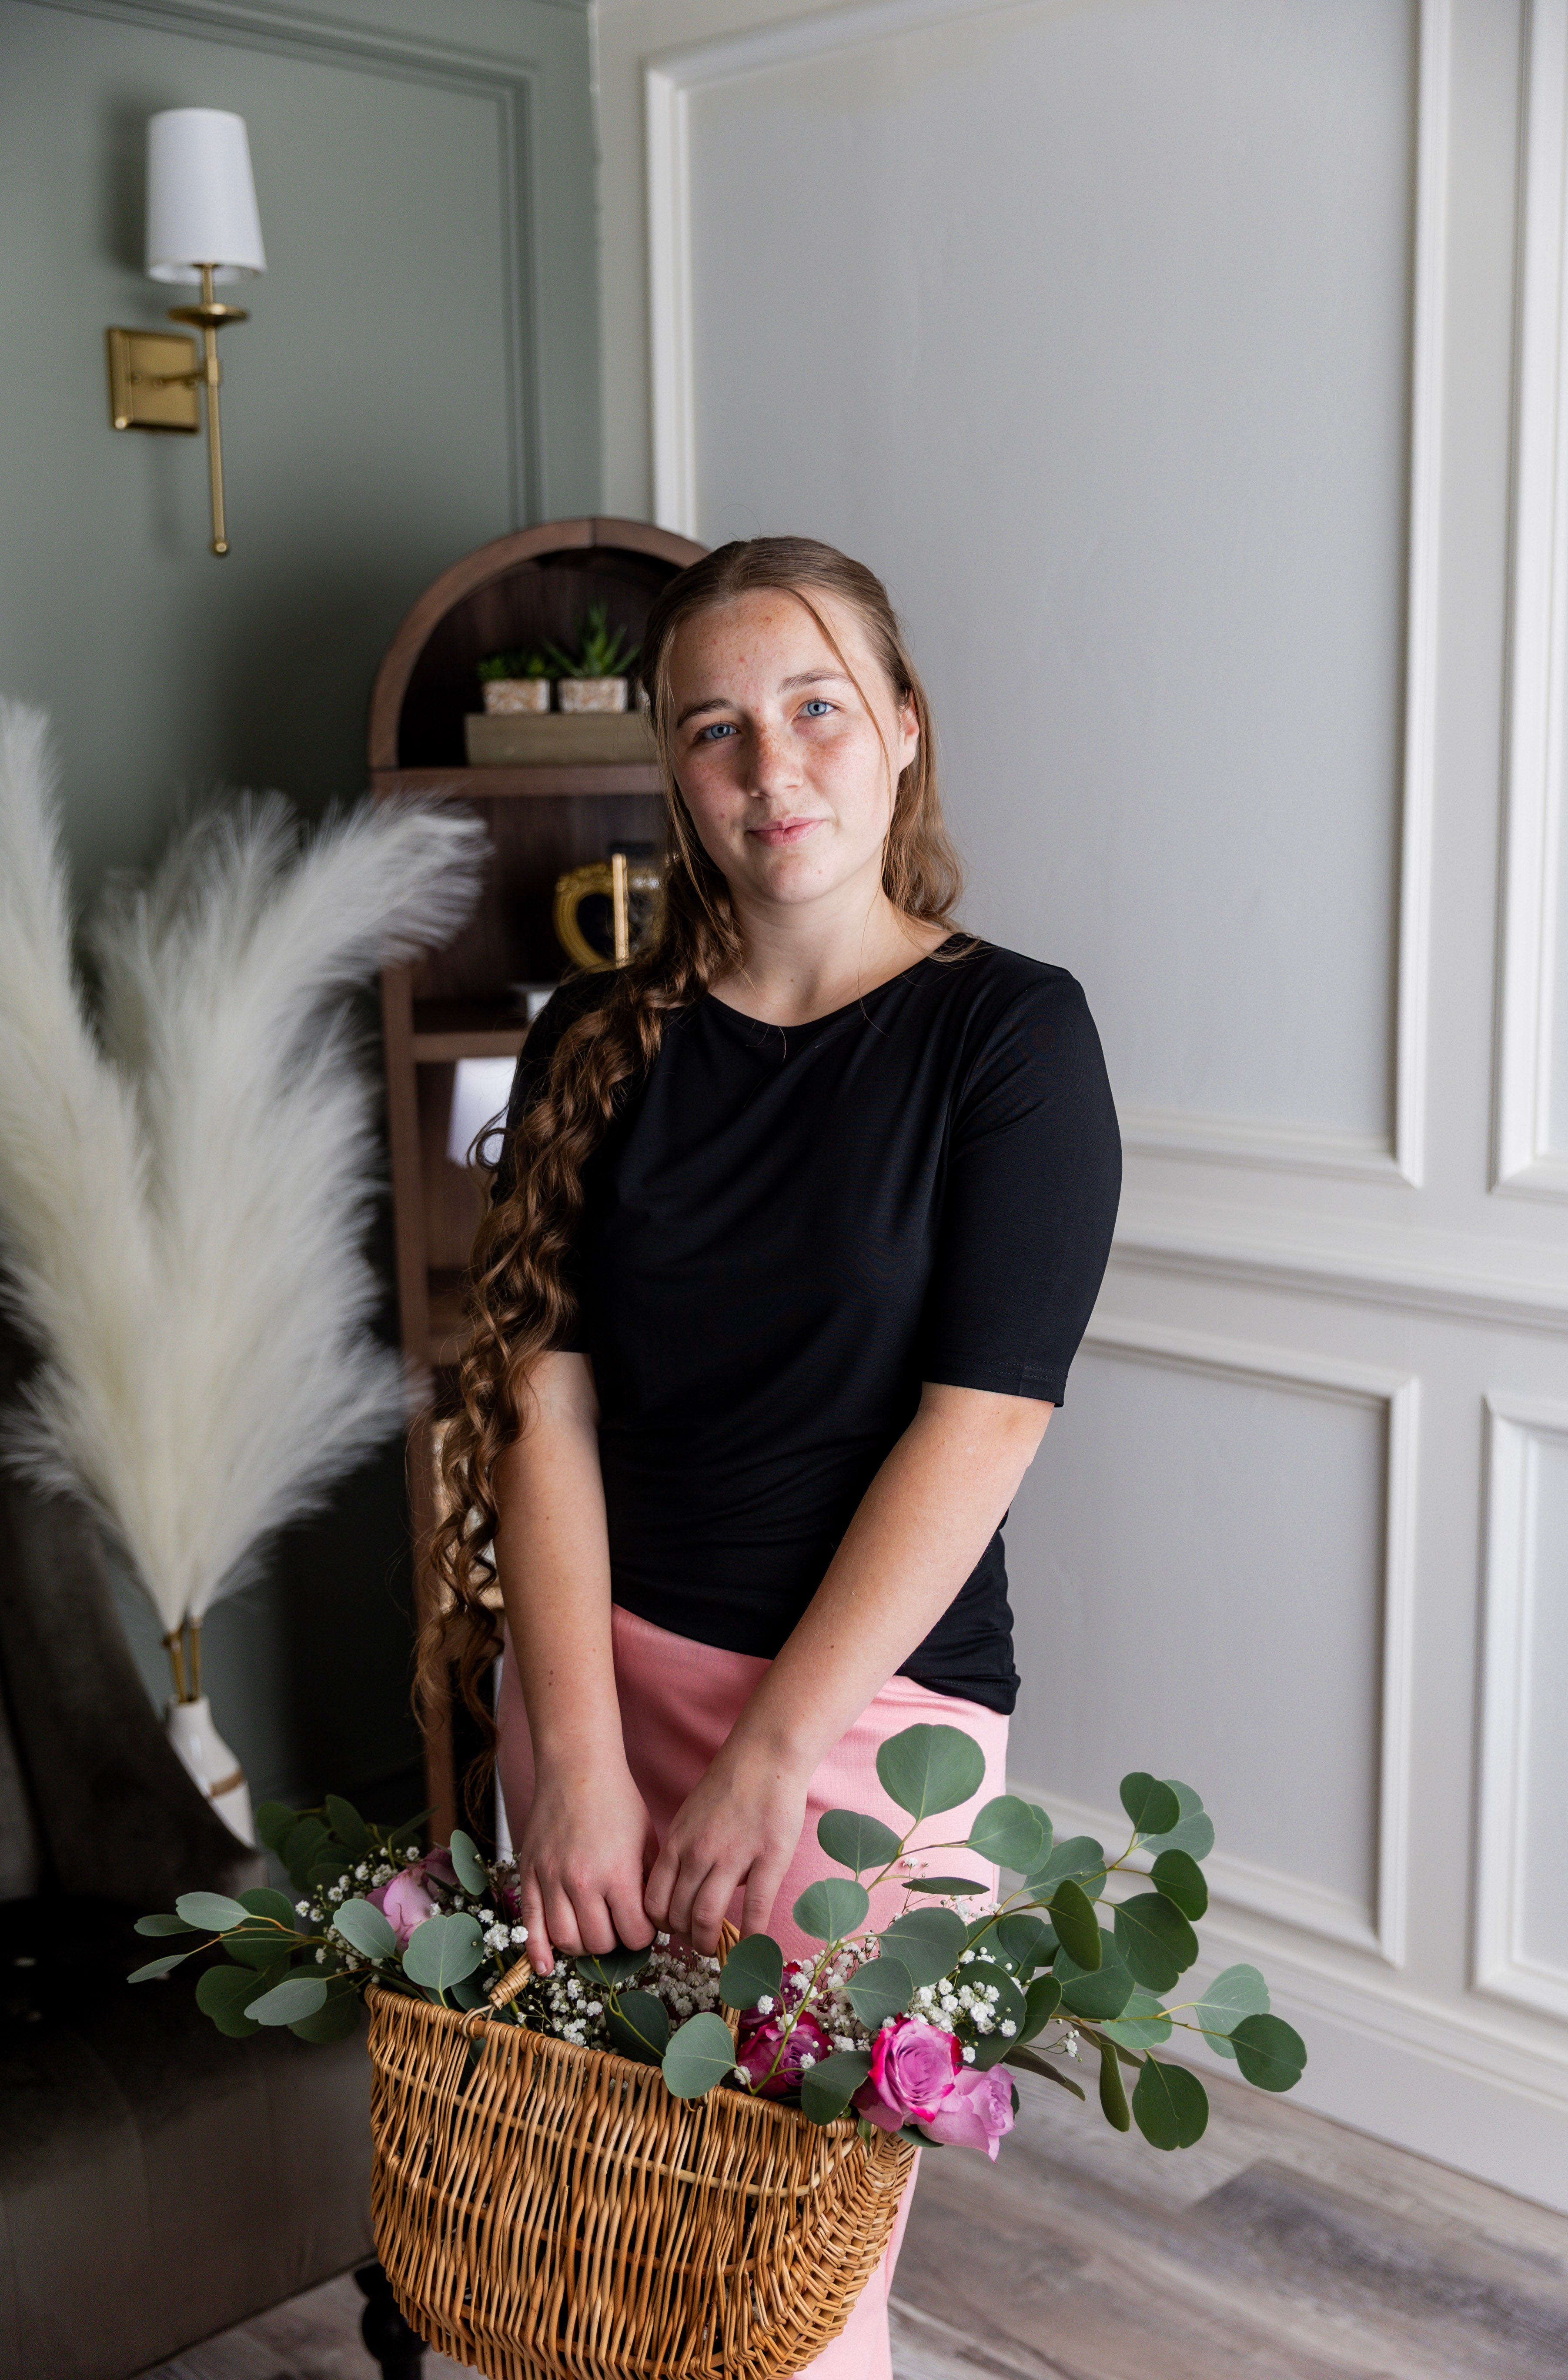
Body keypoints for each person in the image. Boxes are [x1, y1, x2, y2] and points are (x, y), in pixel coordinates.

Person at [425, 535, 1121, 2379]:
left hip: (864, 1727)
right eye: (716, 730)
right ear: (674, 773)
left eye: (817, 708)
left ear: (901, 730)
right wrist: (572, 1757)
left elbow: (981, 1422)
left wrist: (769, 1755)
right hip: (594, 1686)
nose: (770, 767)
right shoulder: (593, 1038)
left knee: (779, 2303)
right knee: (585, 2252)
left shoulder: (1011, 1037)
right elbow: (538, 1401)